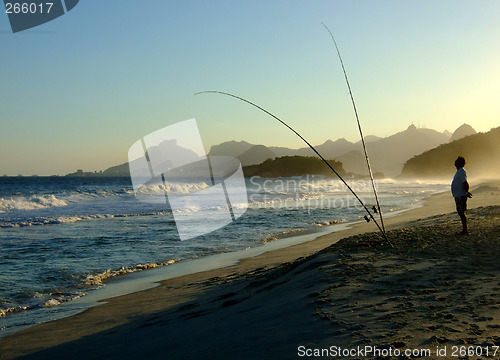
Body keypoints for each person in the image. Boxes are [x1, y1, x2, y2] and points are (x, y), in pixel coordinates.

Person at [451, 156, 472, 235]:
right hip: (458, 194)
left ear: (460, 163)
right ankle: (464, 229)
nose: (455, 162)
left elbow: (465, 182)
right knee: (460, 212)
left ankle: (465, 230)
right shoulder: (459, 171)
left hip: (460, 195)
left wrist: (467, 192)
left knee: (461, 212)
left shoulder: (461, 172)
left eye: (456, 161)